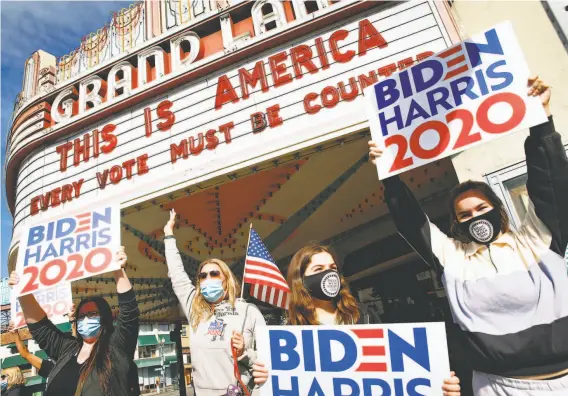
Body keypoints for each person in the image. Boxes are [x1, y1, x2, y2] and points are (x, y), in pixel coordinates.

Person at [368, 77, 568, 395]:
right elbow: (411, 222)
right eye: (464, 214)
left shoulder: (535, 238)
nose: (475, 216)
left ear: (497, 209)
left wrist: (541, 123)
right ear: (456, 223)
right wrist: (389, 175)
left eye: (481, 207)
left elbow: (551, 187)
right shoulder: (453, 258)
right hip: (498, 385)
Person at [251, 242, 462, 395]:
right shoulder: (290, 329)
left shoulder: (363, 315)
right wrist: (268, 377)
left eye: (332, 268)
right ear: (301, 280)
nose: (329, 274)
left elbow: (397, 371)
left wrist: (438, 383)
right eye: (318, 269)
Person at [9, 246, 140, 396]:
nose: (85, 319)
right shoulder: (68, 348)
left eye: (92, 314)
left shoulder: (116, 348)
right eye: (81, 316)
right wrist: (22, 290)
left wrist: (118, 270)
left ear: (104, 318)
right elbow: (40, 327)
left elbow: (129, 313)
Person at [163, 209, 266, 395]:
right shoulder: (194, 308)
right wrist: (169, 236)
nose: (208, 278)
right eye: (203, 276)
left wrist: (244, 352)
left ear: (226, 279)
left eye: (214, 273)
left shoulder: (248, 311)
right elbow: (178, 275)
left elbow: (268, 361)